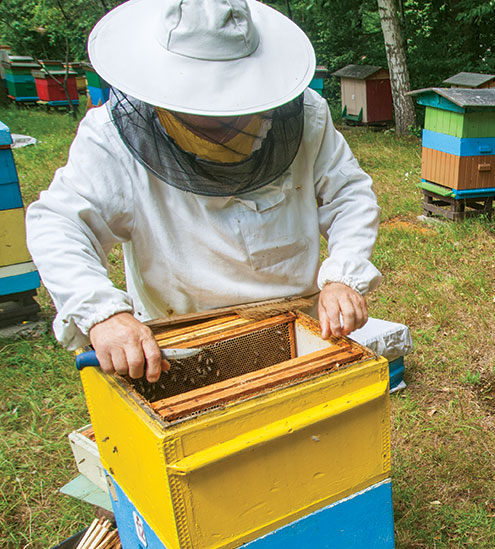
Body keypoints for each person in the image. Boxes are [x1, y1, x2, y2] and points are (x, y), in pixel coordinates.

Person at [26, 0, 381, 383]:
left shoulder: (306, 114)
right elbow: (59, 223)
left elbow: (349, 194)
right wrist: (103, 314)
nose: (224, 114)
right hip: (181, 339)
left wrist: (343, 276)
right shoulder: (110, 140)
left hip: (299, 327)